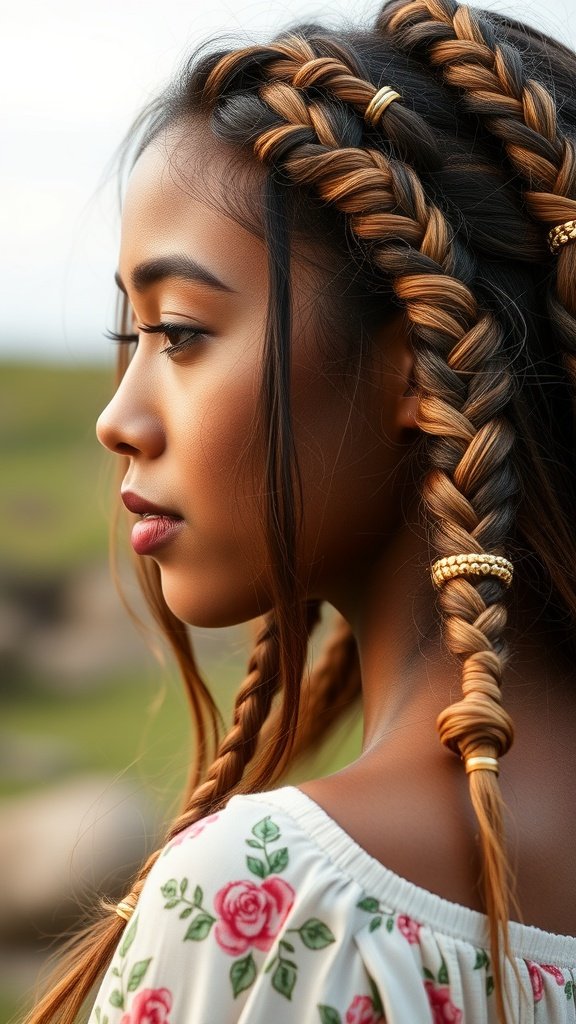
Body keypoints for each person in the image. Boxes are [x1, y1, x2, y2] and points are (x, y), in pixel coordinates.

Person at [28, 1, 576, 1022]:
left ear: (425, 361)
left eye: (181, 331)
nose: (118, 417)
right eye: (127, 334)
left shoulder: (272, 902)